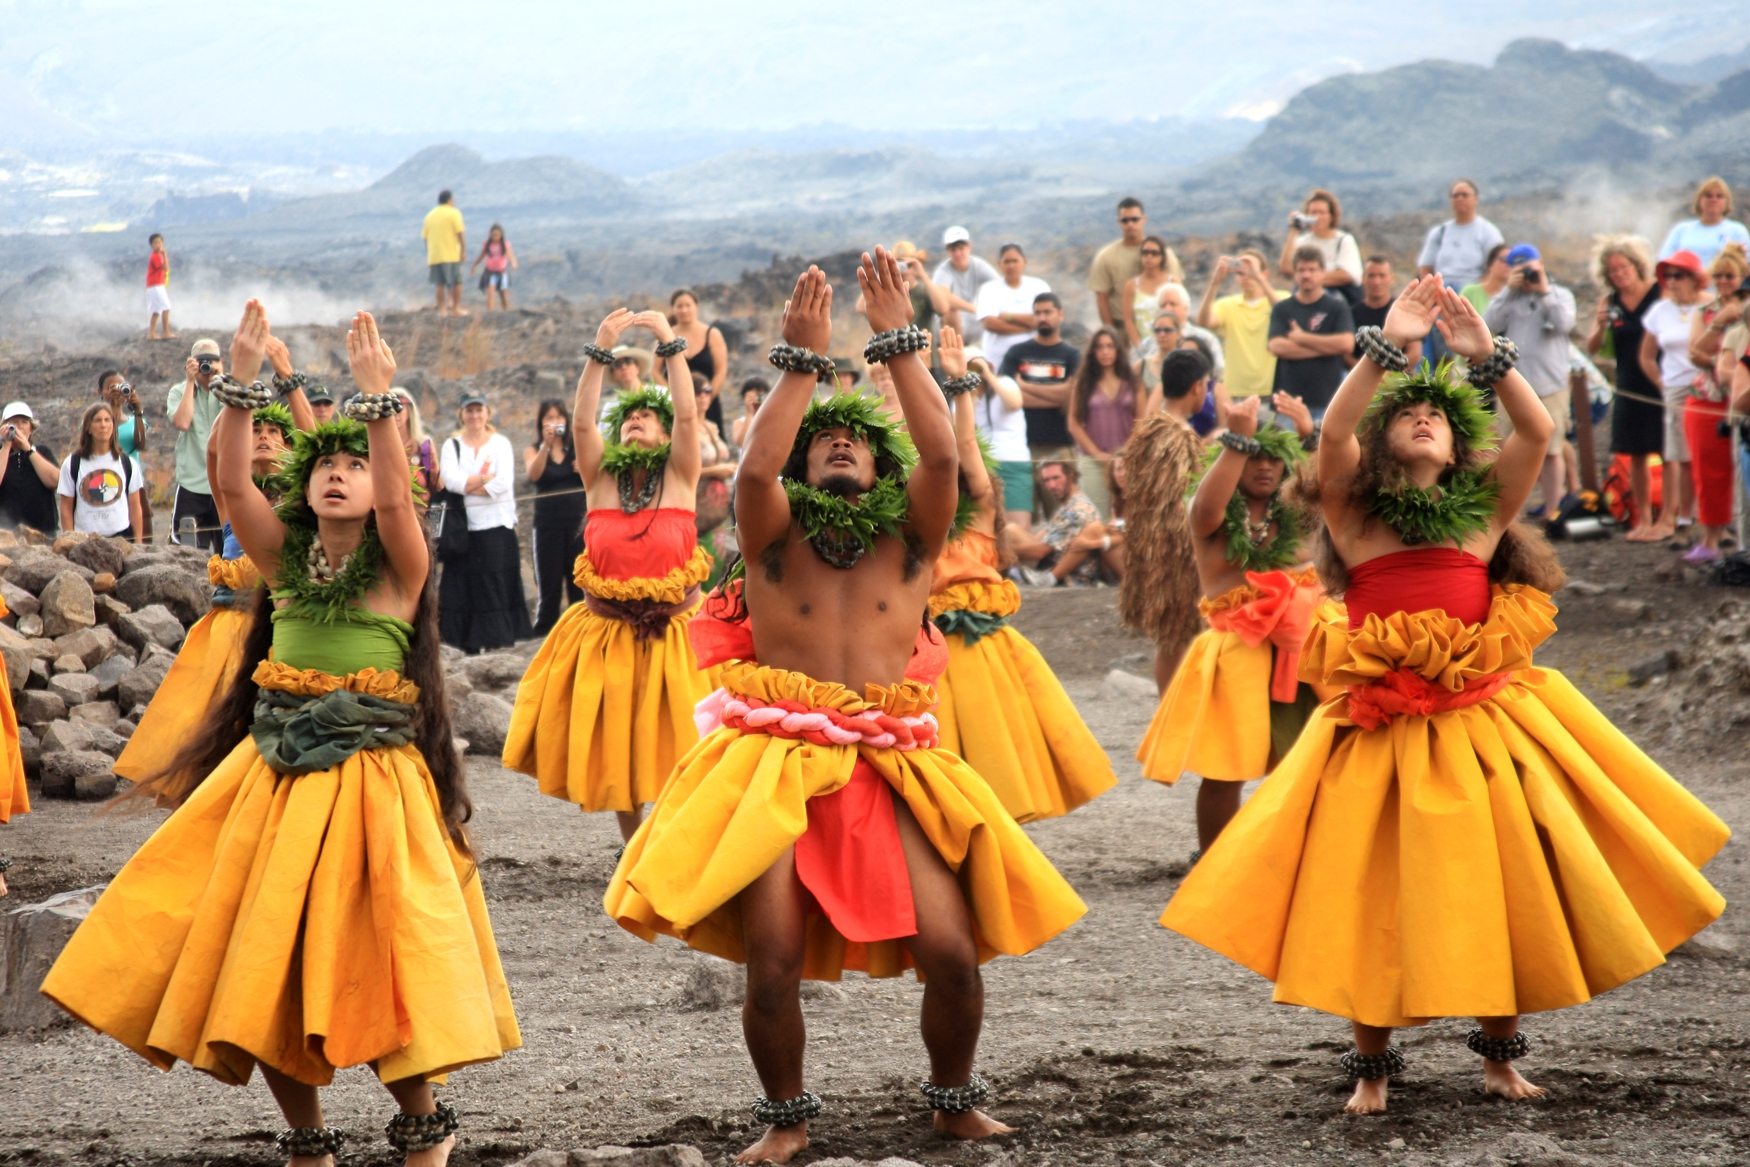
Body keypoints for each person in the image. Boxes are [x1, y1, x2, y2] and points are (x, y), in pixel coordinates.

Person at [1160, 279, 1728, 1116]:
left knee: (1501, 878)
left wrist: (1488, 360)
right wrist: (1387, 346)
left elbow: (1536, 427)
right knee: (1373, 886)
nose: (1423, 417)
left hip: (1479, 717)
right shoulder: (1356, 516)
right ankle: (1372, 1068)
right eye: (1407, 414)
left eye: (1437, 415)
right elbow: (1338, 427)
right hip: (1379, 729)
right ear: (1387, 446)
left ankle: (1499, 1057)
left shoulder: (1483, 516)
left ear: (1459, 441)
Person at [604, 256, 1085, 1166]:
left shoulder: (911, 543)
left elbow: (943, 455)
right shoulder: (774, 540)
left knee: (950, 947)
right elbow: (750, 472)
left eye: (856, 441)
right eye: (822, 440)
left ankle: (953, 1100)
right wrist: (800, 362)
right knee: (774, 951)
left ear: (881, 462)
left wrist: (900, 340)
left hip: (890, 755)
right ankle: (785, 1117)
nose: (838, 445)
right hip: (779, 752)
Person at [42, 301, 520, 1163]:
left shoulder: (400, 572)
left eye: (353, 466)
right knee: (262, 957)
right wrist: (236, 382)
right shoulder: (288, 565)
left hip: (375, 788)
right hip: (275, 779)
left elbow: (403, 505)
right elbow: (229, 485)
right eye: (322, 465)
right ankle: (310, 1141)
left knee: (382, 960)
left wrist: (376, 402)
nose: (337, 474)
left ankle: (425, 1128)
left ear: (381, 486)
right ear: (300, 485)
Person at [504, 310, 709, 843]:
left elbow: (689, 418)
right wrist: (600, 349)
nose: (635, 421)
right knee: (619, 741)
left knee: (681, 740)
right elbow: (581, 424)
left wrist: (669, 344)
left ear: (663, 433)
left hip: (679, 634)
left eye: (646, 417)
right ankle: (633, 843)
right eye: (629, 420)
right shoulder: (599, 480)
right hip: (609, 633)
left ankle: (672, 838)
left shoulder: (679, 474)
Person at [928, 330, 1117, 822]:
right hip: (931, 655)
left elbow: (963, 444)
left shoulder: (978, 514)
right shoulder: (920, 529)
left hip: (981, 651)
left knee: (996, 763)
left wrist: (959, 387)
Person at [1137, 393, 1321, 856]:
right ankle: (1213, 861)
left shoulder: (1298, 517)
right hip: (1238, 651)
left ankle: (1301, 857)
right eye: (1251, 458)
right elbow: (1204, 505)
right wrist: (1237, 438)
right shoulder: (1212, 520)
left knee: (1313, 760)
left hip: (1300, 650)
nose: (1264, 467)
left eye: (1273, 460)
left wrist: (1310, 436)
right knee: (1225, 770)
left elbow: (1333, 485)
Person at [114, 374, 303, 788]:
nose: (265, 437)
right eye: (256, 431)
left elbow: (314, 442)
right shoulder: (233, 498)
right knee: (217, 732)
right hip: (229, 632)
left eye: (275, 432)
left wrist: (291, 384)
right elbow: (216, 450)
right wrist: (237, 397)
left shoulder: (305, 501)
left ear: (293, 449)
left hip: (285, 633)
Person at [1116, 349, 1207, 690]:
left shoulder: (1148, 430)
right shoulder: (1178, 438)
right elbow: (1178, 507)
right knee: (1179, 639)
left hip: (1152, 551)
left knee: (1169, 641)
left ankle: (1168, 714)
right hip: (1177, 556)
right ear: (1197, 387)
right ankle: (1174, 717)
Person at [1484, 244, 1578, 519]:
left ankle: (1552, 510)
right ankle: (1510, 515)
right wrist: (1507, 290)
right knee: (1509, 452)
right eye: (1520, 269)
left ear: (1541, 264)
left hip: (1551, 385)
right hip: (1512, 386)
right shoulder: (1508, 298)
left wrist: (1544, 291)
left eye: (1531, 268)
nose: (1527, 274)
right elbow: (1489, 322)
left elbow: (1564, 324)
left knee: (1551, 450)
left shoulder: (1560, 295)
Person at [1585, 235, 1666, 540]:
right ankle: (1641, 518)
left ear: (1637, 264)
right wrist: (1601, 324)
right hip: (1628, 382)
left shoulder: (1659, 293)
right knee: (1635, 453)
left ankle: (1668, 519)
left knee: (1668, 452)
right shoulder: (1609, 302)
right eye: (1613, 270)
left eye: (1624, 267)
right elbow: (1592, 347)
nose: (1620, 274)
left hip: (1659, 379)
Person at [437, 393, 531, 651]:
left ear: (487, 413)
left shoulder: (500, 443)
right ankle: (465, 644)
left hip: (496, 526)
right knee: (463, 588)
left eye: (479, 410)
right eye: (469, 410)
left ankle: (497, 641)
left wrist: (469, 484)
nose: (475, 415)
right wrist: (483, 480)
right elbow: (451, 481)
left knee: (494, 586)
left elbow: (503, 483)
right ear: (462, 414)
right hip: (463, 530)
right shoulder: (451, 445)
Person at [1636, 250, 1709, 544]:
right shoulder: (1659, 311)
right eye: (1667, 275)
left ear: (1695, 279)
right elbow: (1647, 357)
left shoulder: (1713, 306)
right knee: (1680, 455)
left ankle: (1711, 519)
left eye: (1678, 275)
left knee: (1708, 453)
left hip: (1709, 388)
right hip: (1676, 389)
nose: (1671, 281)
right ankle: (1683, 519)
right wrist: (1663, 386)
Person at [1680, 246, 1746, 562]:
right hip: (1707, 399)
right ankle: (1710, 538)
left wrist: (1718, 362)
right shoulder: (1706, 311)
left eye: (1729, 275)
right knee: (1708, 472)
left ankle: (1732, 537)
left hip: (1738, 402)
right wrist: (1718, 325)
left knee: (1738, 472)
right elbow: (1693, 352)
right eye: (1717, 275)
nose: (1723, 281)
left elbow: (1703, 356)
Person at [1065, 328, 1146, 517]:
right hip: (1092, 460)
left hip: (1128, 458)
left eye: (1110, 346)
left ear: (1118, 350)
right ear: (1093, 351)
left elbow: (1141, 422)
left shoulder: (1134, 383)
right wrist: (1097, 454)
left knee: (1131, 516)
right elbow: (1074, 423)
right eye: (1100, 347)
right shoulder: (1083, 383)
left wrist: (1122, 454)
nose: (1105, 351)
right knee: (1095, 517)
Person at [997, 291, 1080, 478]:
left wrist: (1024, 387)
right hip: (1022, 447)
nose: (1042, 317)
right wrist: (1058, 393)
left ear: (1061, 314)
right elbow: (1005, 396)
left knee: (1060, 506)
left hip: (1061, 447)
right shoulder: (1016, 352)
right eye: (1037, 313)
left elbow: (1070, 398)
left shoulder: (1072, 355)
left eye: (1047, 312)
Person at [1267, 246, 1356, 418]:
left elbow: (1346, 344)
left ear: (1323, 272)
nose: (1306, 275)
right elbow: (1276, 347)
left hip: (1328, 402)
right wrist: (1327, 347)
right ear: (1294, 274)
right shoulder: (1282, 308)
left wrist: (1302, 338)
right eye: (1301, 270)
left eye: (1312, 270)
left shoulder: (1337, 307)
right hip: (1288, 403)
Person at [525, 398, 586, 635]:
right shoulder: (534, 449)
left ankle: (580, 630)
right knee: (549, 585)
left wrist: (586, 466)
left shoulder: (577, 447)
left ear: (566, 420)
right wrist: (546, 446)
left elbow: (597, 475)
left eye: (558, 417)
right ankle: (543, 634)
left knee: (578, 581)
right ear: (541, 423)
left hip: (577, 524)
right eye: (549, 418)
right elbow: (534, 474)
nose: (554, 423)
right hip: (546, 525)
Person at [1197, 251, 1282, 401]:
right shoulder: (1227, 305)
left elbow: (1285, 314)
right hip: (1236, 390)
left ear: (1265, 273)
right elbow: (1204, 322)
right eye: (1240, 273)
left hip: (1272, 388)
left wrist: (1260, 279)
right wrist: (1214, 283)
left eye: (1251, 271)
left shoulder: (1279, 298)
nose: (1246, 277)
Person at [169, 338, 227, 552]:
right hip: (192, 484)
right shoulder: (179, 391)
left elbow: (238, 421)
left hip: (224, 484)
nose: (207, 367)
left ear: (221, 363)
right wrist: (191, 382)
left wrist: (220, 382)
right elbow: (182, 422)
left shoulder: (229, 389)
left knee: (229, 550)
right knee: (188, 550)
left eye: (212, 361)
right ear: (191, 363)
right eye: (202, 361)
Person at [1090, 197, 1182, 330]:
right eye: (1125, 220)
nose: (1130, 224)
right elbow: (1102, 299)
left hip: (1160, 329)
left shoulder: (1165, 254)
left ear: (1144, 219)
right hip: (1121, 328)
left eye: (1134, 219)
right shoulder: (1105, 257)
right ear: (1119, 222)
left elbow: (1177, 293)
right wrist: (1112, 335)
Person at [966, 346, 1032, 530]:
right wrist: (969, 393)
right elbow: (960, 429)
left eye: (976, 365)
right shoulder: (962, 395)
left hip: (1013, 462)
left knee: (1018, 526)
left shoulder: (1005, 382)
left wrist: (988, 376)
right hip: (984, 465)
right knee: (990, 527)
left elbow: (1015, 403)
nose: (974, 372)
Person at [57, 403, 144, 542]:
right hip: (85, 540)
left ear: (113, 427)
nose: (103, 425)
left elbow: (135, 506)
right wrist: (70, 541)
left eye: (107, 420)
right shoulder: (72, 464)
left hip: (122, 538)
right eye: (97, 420)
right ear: (88, 428)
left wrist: (139, 543)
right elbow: (66, 508)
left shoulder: (127, 463)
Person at [1009, 460, 1104, 586]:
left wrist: (1001, 549)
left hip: (1070, 577)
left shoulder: (1078, 508)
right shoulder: (1067, 505)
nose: (1052, 485)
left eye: (1056, 478)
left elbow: (1040, 551)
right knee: (1011, 530)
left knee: (1009, 533)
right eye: (1046, 480)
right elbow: (1038, 540)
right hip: (1049, 564)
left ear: (1071, 476)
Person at [654, 289, 729, 429]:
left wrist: (707, 395)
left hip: (706, 403)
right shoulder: (665, 335)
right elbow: (655, 371)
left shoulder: (712, 334)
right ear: (673, 309)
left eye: (688, 305)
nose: (684, 310)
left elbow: (721, 370)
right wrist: (673, 397)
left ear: (696, 306)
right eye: (679, 306)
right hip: (676, 404)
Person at [972, 243, 1051, 373]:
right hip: (997, 359)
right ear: (999, 263)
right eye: (1007, 261)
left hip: (1033, 357)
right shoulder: (989, 289)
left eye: (1015, 261)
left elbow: (1045, 319)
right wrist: (1028, 326)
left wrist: (1007, 316)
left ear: (1024, 262)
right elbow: (990, 323)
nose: (1011, 265)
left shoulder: (1039, 287)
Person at [1415, 179, 1504, 288]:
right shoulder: (1439, 232)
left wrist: (1476, 292)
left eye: (1464, 195)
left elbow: (1499, 267)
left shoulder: (1488, 232)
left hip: (1473, 294)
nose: (1459, 199)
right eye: (1455, 196)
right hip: (1442, 292)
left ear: (1476, 199)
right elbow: (1425, 268)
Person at [1277, 189, 1361, 292]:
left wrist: (1310, 280)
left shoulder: (1344, 240)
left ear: (1331, 216)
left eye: (1322, 213)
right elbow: (1286, 269)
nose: (1317, 217)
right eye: (1313, 213)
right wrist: (1294, 230)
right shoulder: (1303, 242)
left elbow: (1348, 275)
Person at [1659, 177, 1750, 268]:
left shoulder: (1737, 230)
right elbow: (1664, 260)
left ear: (1727, 202)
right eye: (1708, 196)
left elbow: (1746, 263)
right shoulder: (1681, 229)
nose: (1713, 200)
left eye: (1719, 196)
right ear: (1699, 200)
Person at [1348, 257, 1423, 368]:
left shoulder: (1402, 311)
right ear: (1363, 278)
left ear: (1391, 278)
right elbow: (1345, 354)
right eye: (1371, 276)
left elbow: (1415, 354)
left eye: (1382, 276)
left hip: (1397, 378)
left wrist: (1388, 376)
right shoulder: (1351, 313)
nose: (1376, 281)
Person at [0, 402, 62, 535]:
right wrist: (5, 446)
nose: (19, 427)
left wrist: (28, 449)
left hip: (44, 533)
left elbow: (55, 481)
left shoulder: (43, 452)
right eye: (13, 423)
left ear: (31, 429)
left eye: (24, 422)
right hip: (7, 534)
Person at [932, 226, 999, 344]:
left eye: (961, 248)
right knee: (950, 310)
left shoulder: (979, 265)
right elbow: (943, 296)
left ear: (969, 247)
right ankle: (956, 352)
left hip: (977, 324)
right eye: (953, 250)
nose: (958, 254)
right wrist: (976, 309)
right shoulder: (943, 271)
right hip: (954, 327)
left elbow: (999, 285)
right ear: (948, 251)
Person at [1118, 236, 1177, 350]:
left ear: (1162, 256)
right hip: (1140, 348)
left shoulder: (1173, 283)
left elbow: (1178, 316)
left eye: (1154, 253)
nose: (1149, 256)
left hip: (1167, 346)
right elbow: (1128, 320)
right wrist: (1139, 347)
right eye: (1145, 252)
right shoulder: (1131, 285)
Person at [422, 189, 467, 317]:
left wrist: (430, 253)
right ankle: (455, 309)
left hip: (435, 256)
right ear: (449, 200)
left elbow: (425, 238)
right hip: (451, 254)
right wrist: (463, 251)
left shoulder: (429, 216)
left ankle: (442, 310)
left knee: (439, 283)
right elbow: (460, 234)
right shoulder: (453, 213)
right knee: (457, 281)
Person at [391, 387, 435, 507]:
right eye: (390, 409)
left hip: (420, 518)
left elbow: (436, 485)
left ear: (409, 412)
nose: (394, 414)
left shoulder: (423, 447)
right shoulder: (376, 448)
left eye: (399, 408)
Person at [471, 223, 517, 311]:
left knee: (503, 295)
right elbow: (482, 255)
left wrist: (513, 263)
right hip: (490, 272)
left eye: (497, 235)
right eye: (493, 235)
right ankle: (490, 313)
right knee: (490, 294)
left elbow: (510, 255)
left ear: (501, 235)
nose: (495, 237)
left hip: (502, 273)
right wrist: (474, 265)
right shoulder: (487, 244)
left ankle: (506, 311)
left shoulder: (504, 244)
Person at [1459, 242, 1512, 313]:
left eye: (1512, 261)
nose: (1508, 264)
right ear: (1490, 265)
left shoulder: (1515, 296)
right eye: (1504, 259)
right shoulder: (1470, 292)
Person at [146, 233, 175, 340]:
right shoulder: (155, 256)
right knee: (166, 307)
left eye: (160, 242)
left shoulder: (157, 256)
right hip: (156, 286)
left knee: (156, 310)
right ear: (151, 245)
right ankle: (166, 332)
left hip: (154, 285)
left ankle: (151, 334)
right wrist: (164, 254)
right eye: (155, 243)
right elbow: (166, 268)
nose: (158, 245)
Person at [731, 377, 767, 450]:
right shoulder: (740, 422)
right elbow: (742, 443)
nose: (756, 399)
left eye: (759, 395)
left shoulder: (772, 419)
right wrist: (749, 412)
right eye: (752, 395)